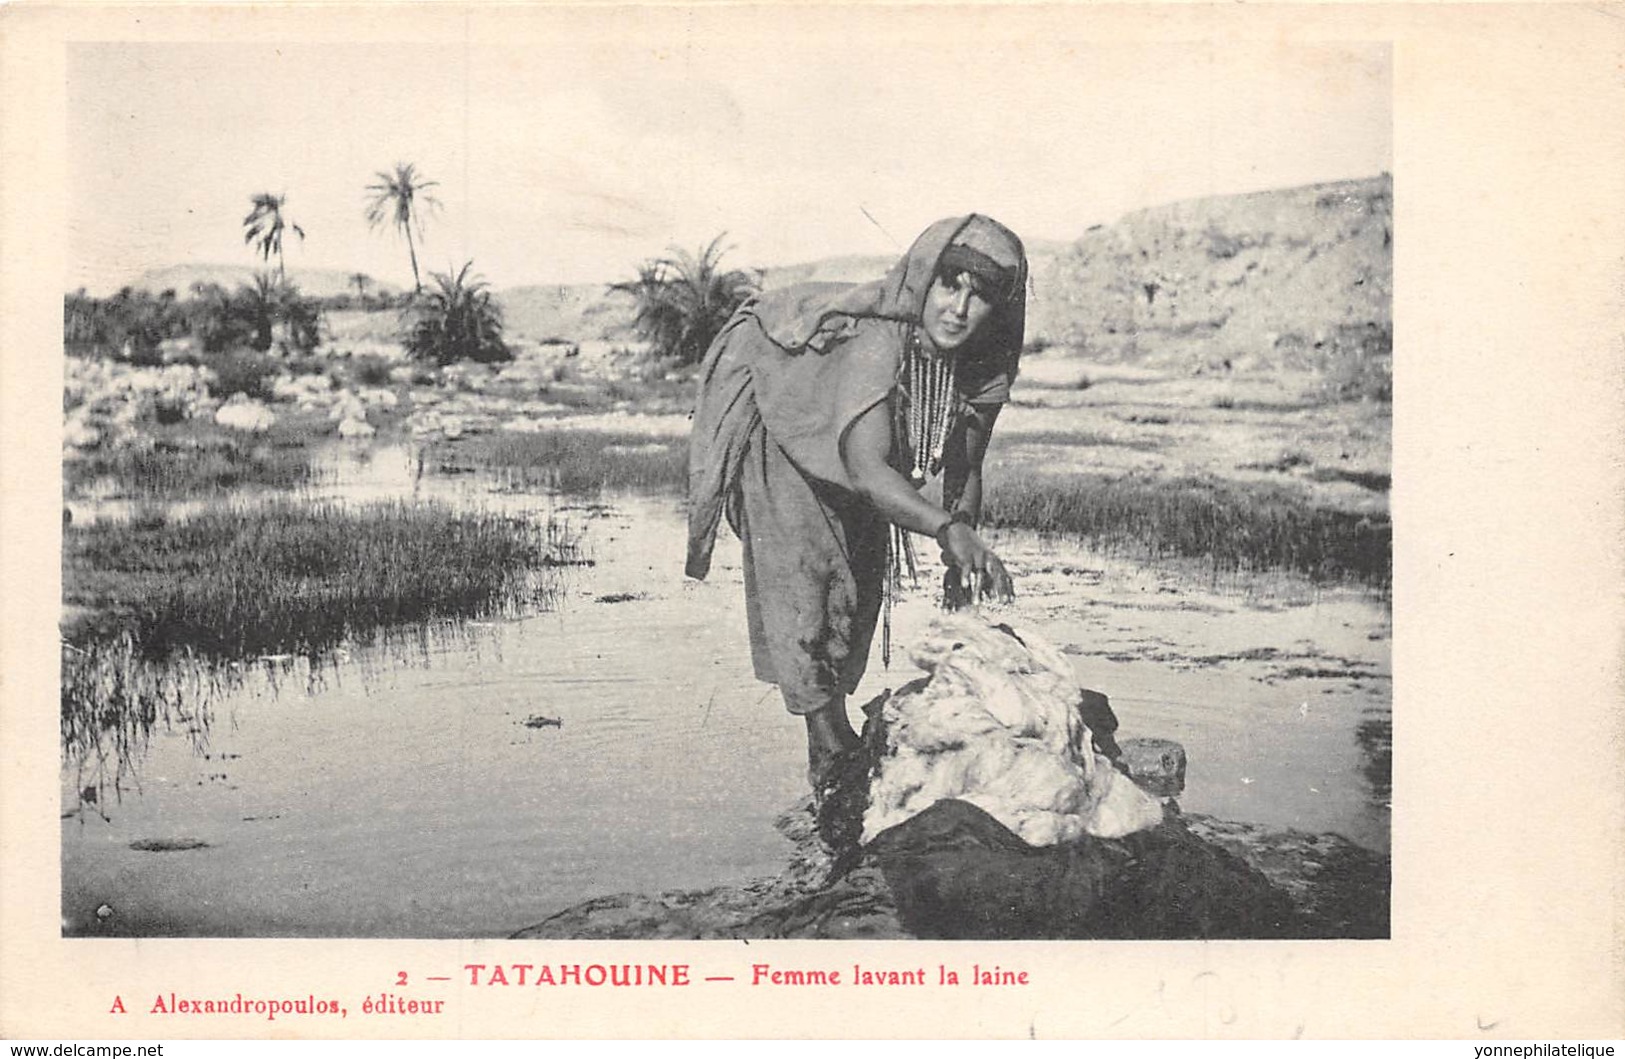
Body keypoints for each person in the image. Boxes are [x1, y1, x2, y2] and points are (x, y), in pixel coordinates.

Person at [686, 214, 1027, 791]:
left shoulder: (985, 361)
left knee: (859, 584)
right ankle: (827, 754)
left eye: (981, 296)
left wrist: (960, 531)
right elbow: (870, 471)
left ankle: (837, 748)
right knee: (806, 581)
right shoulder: (878, 341)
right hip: (786, 429)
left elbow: (966, 462)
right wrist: (946, 531)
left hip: (852, 452)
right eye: (949, 286)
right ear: (924, 281)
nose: (959, 310)